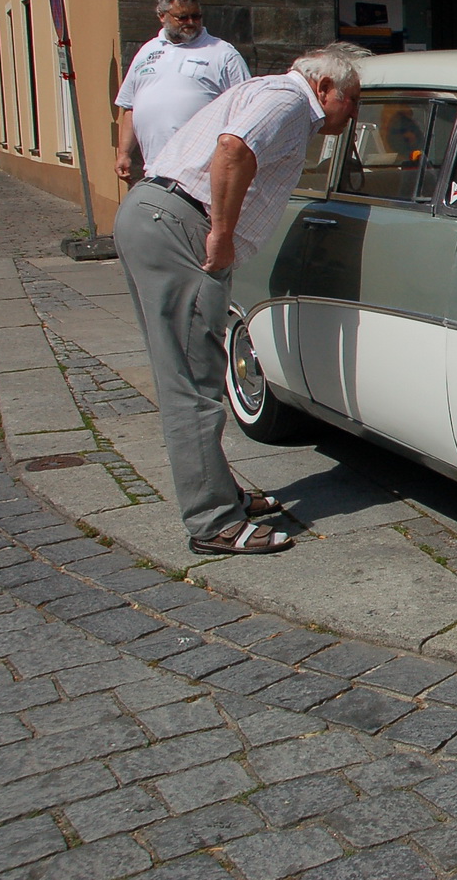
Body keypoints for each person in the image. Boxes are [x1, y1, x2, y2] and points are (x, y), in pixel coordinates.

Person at [114, 43, 367, 555]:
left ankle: (222, 494)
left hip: (157, 215)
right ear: (323, 87)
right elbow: (233, 148)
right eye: (353, 99)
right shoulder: (292, 100)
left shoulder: (267, 90)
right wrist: (222, 234)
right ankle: (213, 523)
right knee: (193, 381)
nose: (354, 111)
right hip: (183, 226)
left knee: (188, 371)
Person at [114, 0, 251, 187]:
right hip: (154, 168)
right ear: (162, 16)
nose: (191, 22)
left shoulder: (222, 53)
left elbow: (248, 110)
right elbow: (131, 107)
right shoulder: (147, 51)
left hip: (200, 173)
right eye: (182, 17)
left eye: (196, 16)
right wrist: (123, 153)